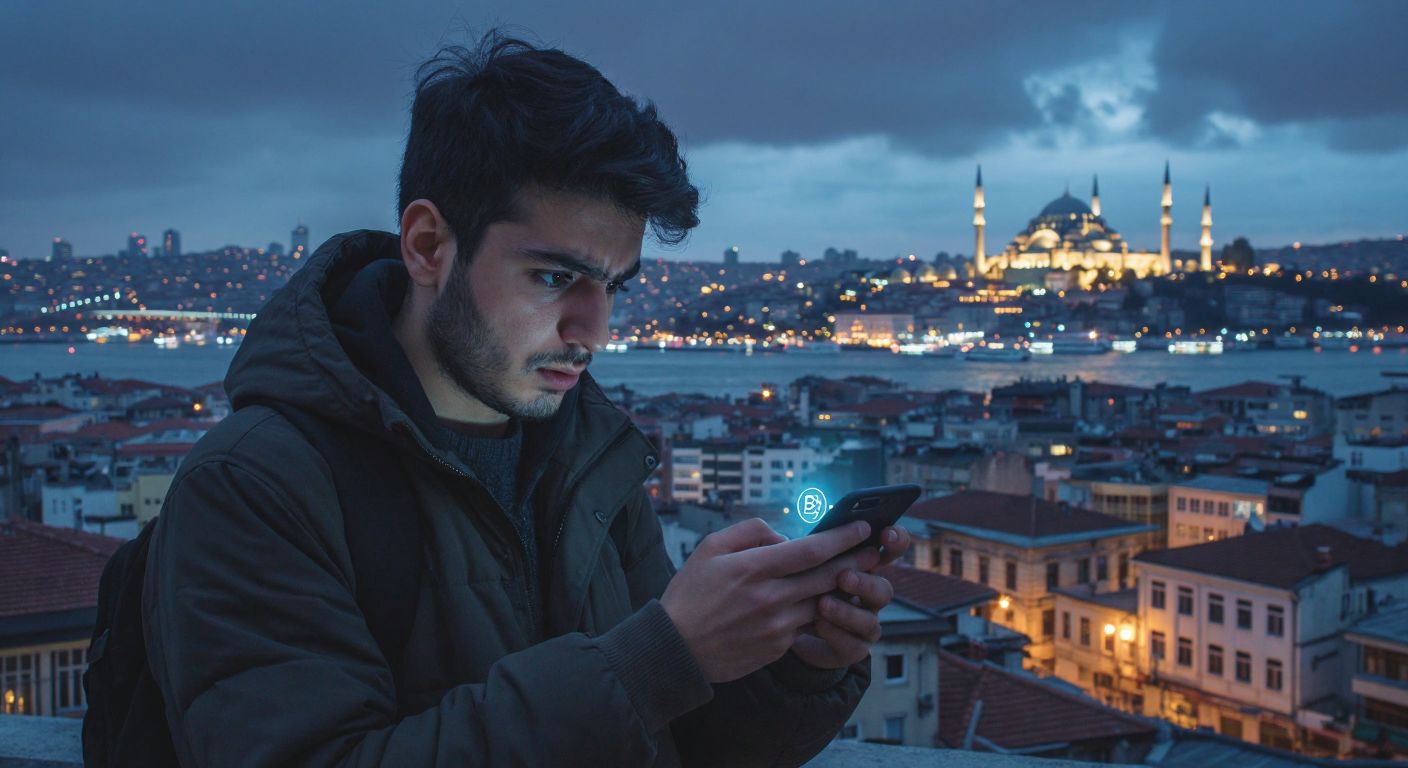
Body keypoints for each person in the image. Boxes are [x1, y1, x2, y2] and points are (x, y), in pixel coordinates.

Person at [143, 31, 912, 767]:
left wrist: (796, 664)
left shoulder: (592, 457)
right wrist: (660, 654)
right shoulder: (256, 487)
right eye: (554, 277)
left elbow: (685, 744)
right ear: (428, 246)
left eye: (612, 287)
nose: (594, 331)